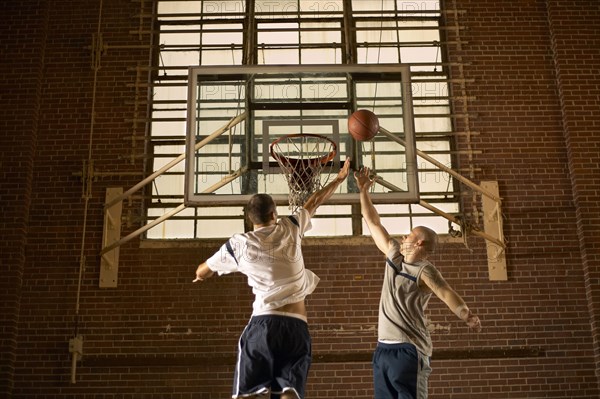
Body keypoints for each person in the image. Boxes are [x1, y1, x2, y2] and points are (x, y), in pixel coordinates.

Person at [194, 159, 351, 399]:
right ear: (274, 214)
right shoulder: (290, 227)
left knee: (249, 393)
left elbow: (204, 269)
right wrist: (338, 179)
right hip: (297, 326)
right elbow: (314, 201)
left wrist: (201, 275)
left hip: (264, 324)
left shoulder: (239, 244)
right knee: (288, 391)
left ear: (250, 219)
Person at [354, 167, 482, 399]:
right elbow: (373, 222)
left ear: (420, 243)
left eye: (409, 235)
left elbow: (445, 292)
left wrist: (465, 313)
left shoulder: (424, 270)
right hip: (383, 349)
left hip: (409, 349)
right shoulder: (393, 254)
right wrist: (363, 191)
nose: (404, 237)